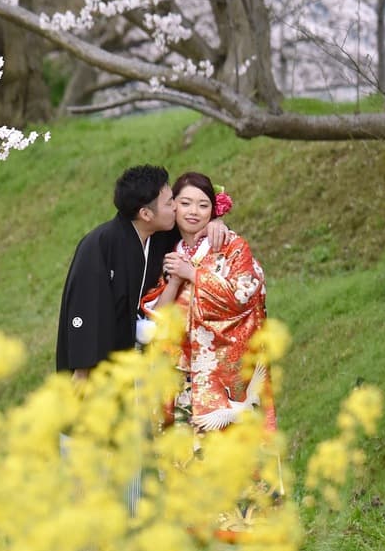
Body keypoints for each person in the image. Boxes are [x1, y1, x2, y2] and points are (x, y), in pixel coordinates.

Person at [141, 171, 275, 433]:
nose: (194, 212)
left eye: (203, 205)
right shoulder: (167, 250)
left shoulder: (231, 245)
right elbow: (157, 317)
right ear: (173, 206)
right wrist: (177, 280)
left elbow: (243, 296)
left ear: (214, 211)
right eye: (186, 203)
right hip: (179, 372)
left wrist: (193, 274)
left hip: (224, 371)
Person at [56, 165, 181, 379]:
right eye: (170, 203)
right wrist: (83, 370)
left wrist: (215, 222)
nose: (177, 207)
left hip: (141, 358)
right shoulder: (100, 244)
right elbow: (86, 306)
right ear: (146, 213)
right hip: (103, 364)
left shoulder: (158, 234)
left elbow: (194, 225)